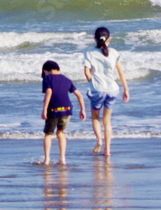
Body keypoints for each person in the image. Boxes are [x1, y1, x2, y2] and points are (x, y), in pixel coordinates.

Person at [83, 27, 129, 157]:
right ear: (109, 39)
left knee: (96, 118)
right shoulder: (114, 53)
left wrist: (92, 82)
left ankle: (99, 140)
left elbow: (86, 72)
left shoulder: (90, 53)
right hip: (112, 89)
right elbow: (121, 72)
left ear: (94, 39)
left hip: (97, 90)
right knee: (107, 121)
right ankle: (107, 150)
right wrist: (126, 89)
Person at [41, 60, 86, 165]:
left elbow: (49, 92)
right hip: (66, 110)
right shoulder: (67, 79)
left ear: (46, 71)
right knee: (60, 133)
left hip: (53, 110)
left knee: (48, 134)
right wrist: (82, 109)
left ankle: (47, 159)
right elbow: (79, 95)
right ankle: (62, 159)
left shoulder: (48, 78)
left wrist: (44, 109)